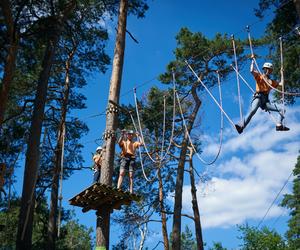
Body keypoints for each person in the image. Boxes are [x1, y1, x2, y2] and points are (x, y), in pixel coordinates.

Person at [235, 57, 290, 134]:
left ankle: (279, 125)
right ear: (264, 69)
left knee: (282, 110)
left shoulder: (271, 82)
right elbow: (251, 71)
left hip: (265, 101)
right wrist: (252, 61)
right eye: (266, 69)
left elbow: (281, 84)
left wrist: (282, 74)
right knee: (253, 111)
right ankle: (242, 127)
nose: (268, 71)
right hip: (259, 97)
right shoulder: (259, 76)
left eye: (269, 70)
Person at [117, 129, 143, 194]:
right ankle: (118, 188)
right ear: (127, 135)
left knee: (131, 176)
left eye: (132, 134)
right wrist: (122, 135)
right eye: (129, 134)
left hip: (132, 159)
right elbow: (119, 142)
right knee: (122, 173)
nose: (131, 135)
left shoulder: (134, 143)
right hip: (125, 158)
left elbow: (141, 143)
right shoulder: (124, 142)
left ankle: (131, 191)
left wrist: (139, 136)